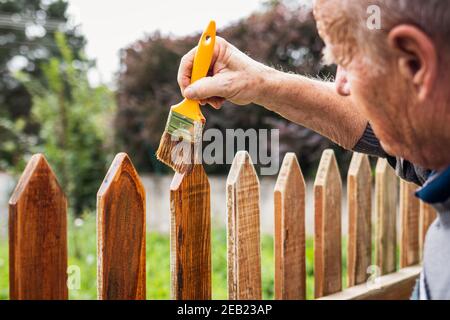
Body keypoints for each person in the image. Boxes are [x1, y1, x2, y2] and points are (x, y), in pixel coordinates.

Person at [177, 0, 450, 299]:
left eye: (347, 59)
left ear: (415, 62)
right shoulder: (438, 148)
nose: (341, 85)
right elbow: (382, 121)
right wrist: (260, 83)